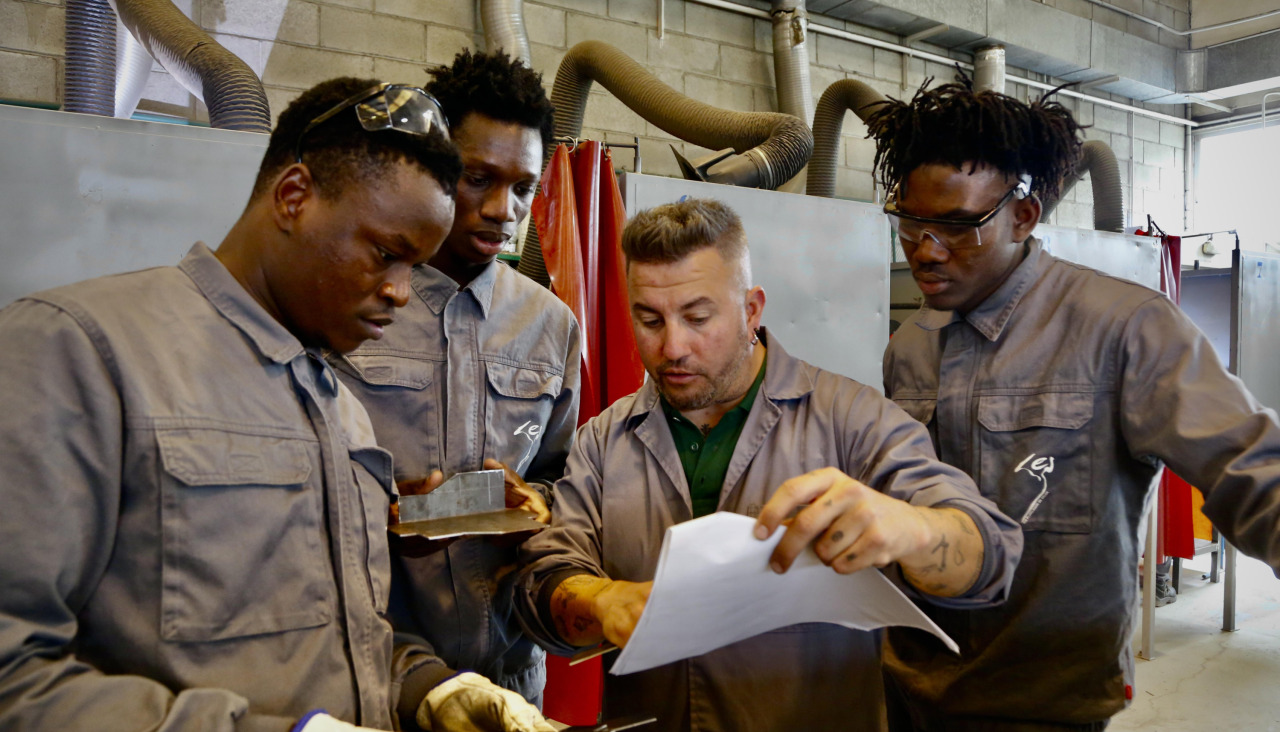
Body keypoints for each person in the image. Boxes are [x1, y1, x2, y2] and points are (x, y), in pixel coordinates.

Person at [0, 76, 469, 730]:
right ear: (294, 197)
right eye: (386, 254)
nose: (401, 292)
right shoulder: (77, 352)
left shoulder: (344, 413)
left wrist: (427, 691)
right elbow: (13, 676)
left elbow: (334, 643)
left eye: (415, 268)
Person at [513, 198, 1022, 732]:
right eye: (649, 320)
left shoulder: (852, 421)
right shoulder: (603, 441)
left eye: (698, 318)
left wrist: (914, 529)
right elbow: (543, 583)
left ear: (752, 309)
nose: (672, 347)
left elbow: (991, 555)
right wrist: (602, 599)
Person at [867, 78, 1280, 730]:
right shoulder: (911, 344)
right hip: (912, 683)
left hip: (1046, 703)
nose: (926, 249)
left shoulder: (1125, 328)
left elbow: (1252, 470)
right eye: (910, 222)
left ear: (1023, 216)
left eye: (957, 226)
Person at [331, 49, 576, 708]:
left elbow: (565, 478)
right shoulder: (353, 306)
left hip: (510, 679)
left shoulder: (551, 325)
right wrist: (387, 514)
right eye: (478, 178)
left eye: (523, 187)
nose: (503, 209)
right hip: (372, 677)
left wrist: (537, 505)